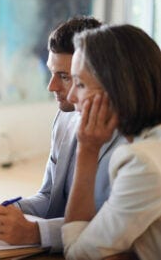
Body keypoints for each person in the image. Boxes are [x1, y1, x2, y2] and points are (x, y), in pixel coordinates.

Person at [0, 17, 127, 252]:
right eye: (52, 72)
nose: (51, 86)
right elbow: (49, 197)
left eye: (65, 77)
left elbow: (110, 229)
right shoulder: (65, 118)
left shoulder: (131, 141)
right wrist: (10, 211)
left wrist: (35, 232)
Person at [62, 24, 161, 260]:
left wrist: (87, 150)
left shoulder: (142, 161)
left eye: (81, 84)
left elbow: (78, 254)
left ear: (119, 88)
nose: (70, 96)